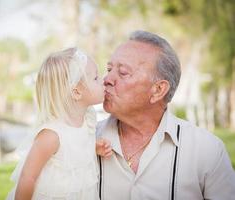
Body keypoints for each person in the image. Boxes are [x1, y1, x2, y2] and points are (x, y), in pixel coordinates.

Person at [97, 30, 235, 200]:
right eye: (109, 69)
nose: (107, 79)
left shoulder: (208, 151)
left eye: (123, 72)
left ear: (158, 90)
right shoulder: (84, 140)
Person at [7, 47, 106, 200]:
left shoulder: (87, 119)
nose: (103, 81)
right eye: (95, 78)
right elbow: (28, 177)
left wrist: (93, 148)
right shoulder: (51, 135)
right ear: (76, 92)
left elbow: (73, 150)